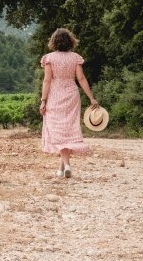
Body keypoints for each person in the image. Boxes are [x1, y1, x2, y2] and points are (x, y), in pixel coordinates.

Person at [39, 28, 98, 178]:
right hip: (72, 95)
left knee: (58, 132)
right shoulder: (75, 58)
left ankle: (67, 165)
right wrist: (91, 98)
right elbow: (81, 79)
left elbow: (47, 81)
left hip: (55, 96)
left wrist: (43, 100)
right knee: (68, 131)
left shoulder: (49, 58)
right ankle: (62, 168)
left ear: (54, 41)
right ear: (70, 41)